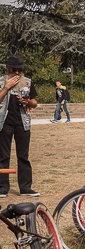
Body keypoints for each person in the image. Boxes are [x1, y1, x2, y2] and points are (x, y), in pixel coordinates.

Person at [0, 56, 40, 198]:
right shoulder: (1, 82)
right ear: (8, 68)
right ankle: (2, 188)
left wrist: (28, 102)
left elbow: (35, 103)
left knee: (23, 156)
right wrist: (7, 87)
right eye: (14, 70)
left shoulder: (27, 82)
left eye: (20, 70)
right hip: (4, 123)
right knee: (3, 156)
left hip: (22, 123)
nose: (17, 73)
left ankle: (25, 188)